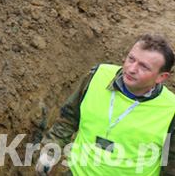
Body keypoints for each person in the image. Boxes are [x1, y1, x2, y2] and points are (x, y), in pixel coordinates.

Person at [36, 34, 175, 175]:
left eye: (144, 67)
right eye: (131, 59)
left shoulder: (171, 110)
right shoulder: (97, 76)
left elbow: (171, 164)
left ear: (161, 77)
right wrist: (50, 152)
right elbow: (69, 117)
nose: (132, 69)